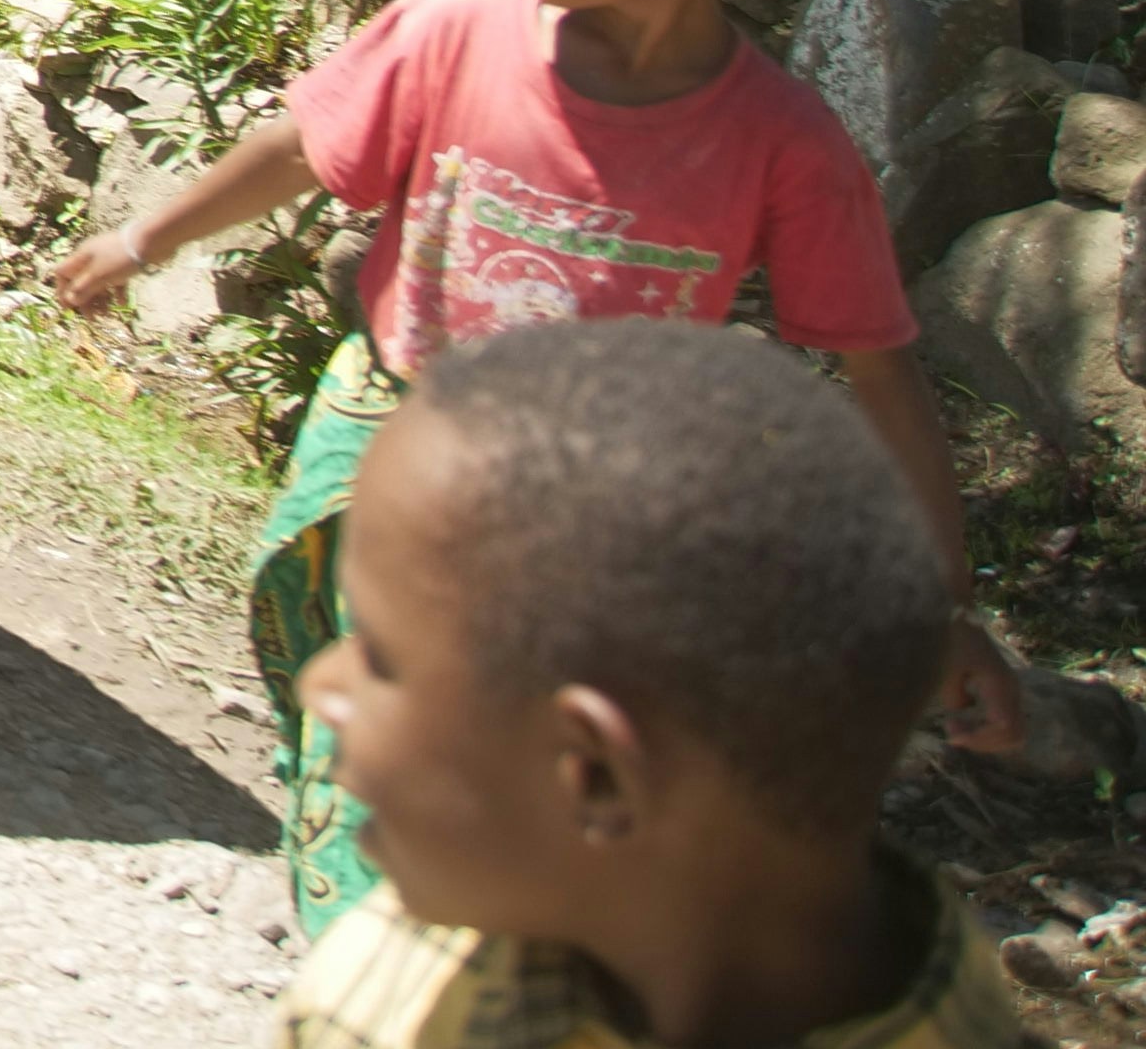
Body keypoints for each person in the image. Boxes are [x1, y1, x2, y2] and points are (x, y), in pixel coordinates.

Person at [58, 0, 1014, 939]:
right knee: (369, 708)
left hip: (593, 511)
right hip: (395, 440)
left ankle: (406, 956)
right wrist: (146, 235)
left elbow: (879, 370)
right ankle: (372, 944)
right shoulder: (457, 30)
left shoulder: (783, 144)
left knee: (490, 750)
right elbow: (304, 144)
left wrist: (944, 608)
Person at [275, 321, 1019, 1049]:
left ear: (594, 774)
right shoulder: (375, 989)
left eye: (377, 657)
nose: (320, 686)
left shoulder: (388, 1001)